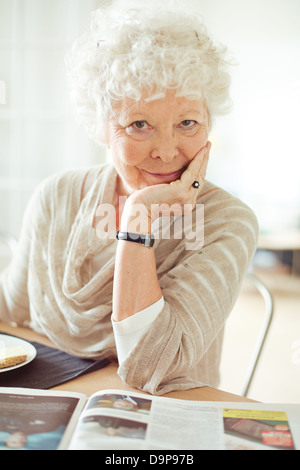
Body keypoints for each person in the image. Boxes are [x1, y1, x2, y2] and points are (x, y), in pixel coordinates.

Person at [0, 1, 258, 395]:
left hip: (165, 420)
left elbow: (149, 367)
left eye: (187, 122)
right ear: (102, 127)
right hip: (60, 399)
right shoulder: (56, 196)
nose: (168, 151)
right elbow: (10, 307)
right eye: (140, 124)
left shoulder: (228, 221)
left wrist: (138, 218)